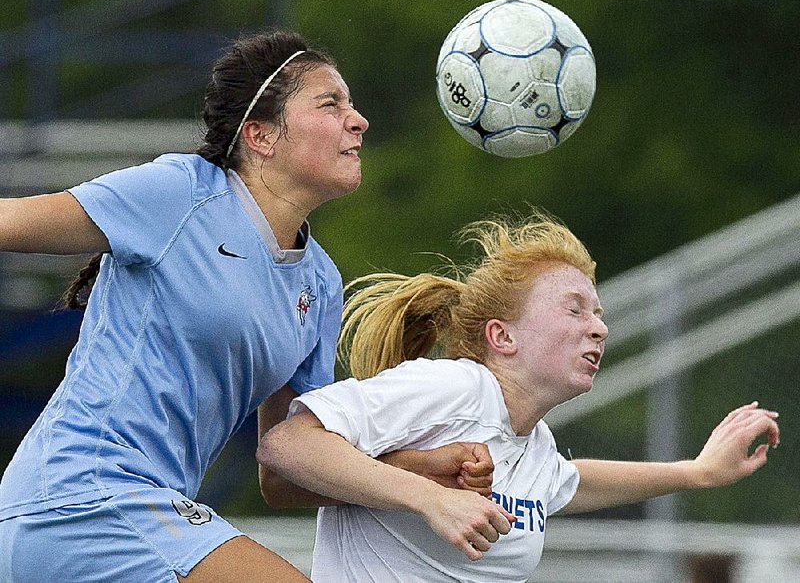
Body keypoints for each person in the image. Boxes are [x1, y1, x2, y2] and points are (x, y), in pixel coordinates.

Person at [0, 29, 510, 583]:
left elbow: (285, 470)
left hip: (139, 517)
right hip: (81, 494)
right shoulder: (179, 191)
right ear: (261, 136)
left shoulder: (320, 281)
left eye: (353, 105)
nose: (358, 120)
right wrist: (423, 500)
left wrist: (420, 471)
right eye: (330, 103)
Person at [259, 212, 781, 582]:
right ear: (502, 337)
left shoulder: (534, 445)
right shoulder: (457, 388)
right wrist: (433, 498)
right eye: (575, 309)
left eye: (598, 313)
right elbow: (287, 446)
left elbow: (573, 483)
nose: (599, 328)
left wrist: (698, 472)